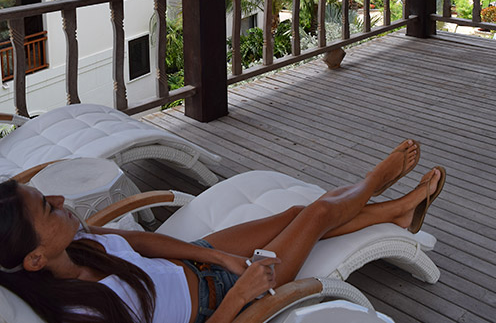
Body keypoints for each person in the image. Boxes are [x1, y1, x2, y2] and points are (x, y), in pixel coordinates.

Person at [0, 140, 445, 323]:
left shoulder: (75, 240)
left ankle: (399, 213)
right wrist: (239, 289)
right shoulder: (85, 315)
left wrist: (216, 256)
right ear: (34, 258)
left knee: (294, 210)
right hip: (224, 299)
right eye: (46, 207)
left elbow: (138, 241)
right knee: (315, 215)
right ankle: (376, 183)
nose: (59, 201)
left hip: (196, 262)